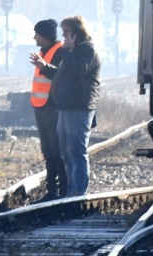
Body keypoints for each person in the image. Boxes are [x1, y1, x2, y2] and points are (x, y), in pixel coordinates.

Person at [30, 15, 100, 197]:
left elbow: (77, 71)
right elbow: (62, 73)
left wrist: (68, 51)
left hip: (79, 108)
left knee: (76, 151)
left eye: (67, 32)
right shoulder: (73, 50)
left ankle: (78, 191)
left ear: (77, 33)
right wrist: (45, 67)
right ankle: (70, 191)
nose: (63, 36)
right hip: (65, 107)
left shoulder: (87, 50)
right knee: (65, 152)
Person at [29, 18, 66, 200]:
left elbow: (59, 75)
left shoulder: (59, 51)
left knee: (56, 150)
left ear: (45, 36)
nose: (34, 37)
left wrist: (44, 67)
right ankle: (52, 189)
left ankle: (61, 189)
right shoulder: (42, 53)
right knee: (47, 149)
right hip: (41, 107)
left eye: (37, 33)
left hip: (52, 107)